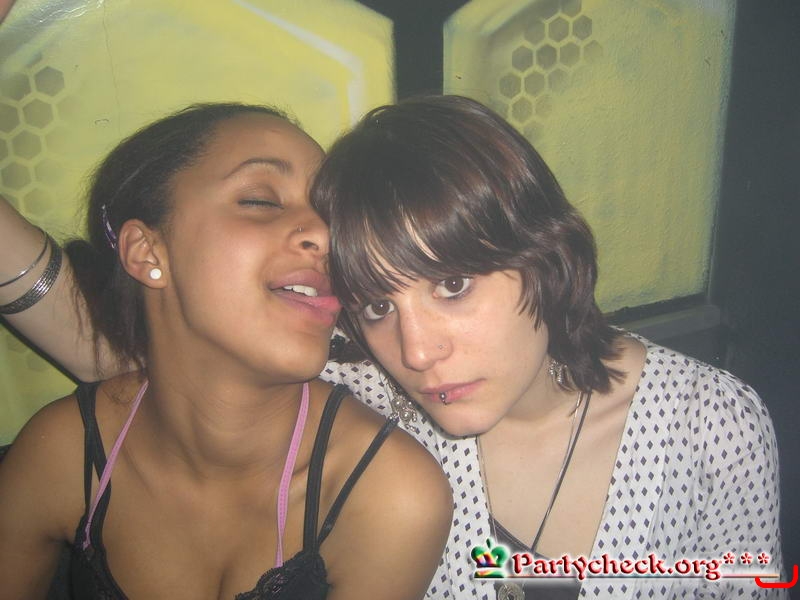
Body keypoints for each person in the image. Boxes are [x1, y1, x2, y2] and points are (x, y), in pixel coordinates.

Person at [0, 96, 786, 600]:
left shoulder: (709, 425)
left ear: (545, 255)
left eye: (453, 285)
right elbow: (156, 359)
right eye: (377, 303)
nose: (417, 350)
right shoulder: (370, 393)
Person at [0, 103, 452, 599]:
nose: (326, 235)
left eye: (331, 216)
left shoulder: (388, 494)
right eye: (261, 200)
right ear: (147, 252)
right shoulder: (63, 453)